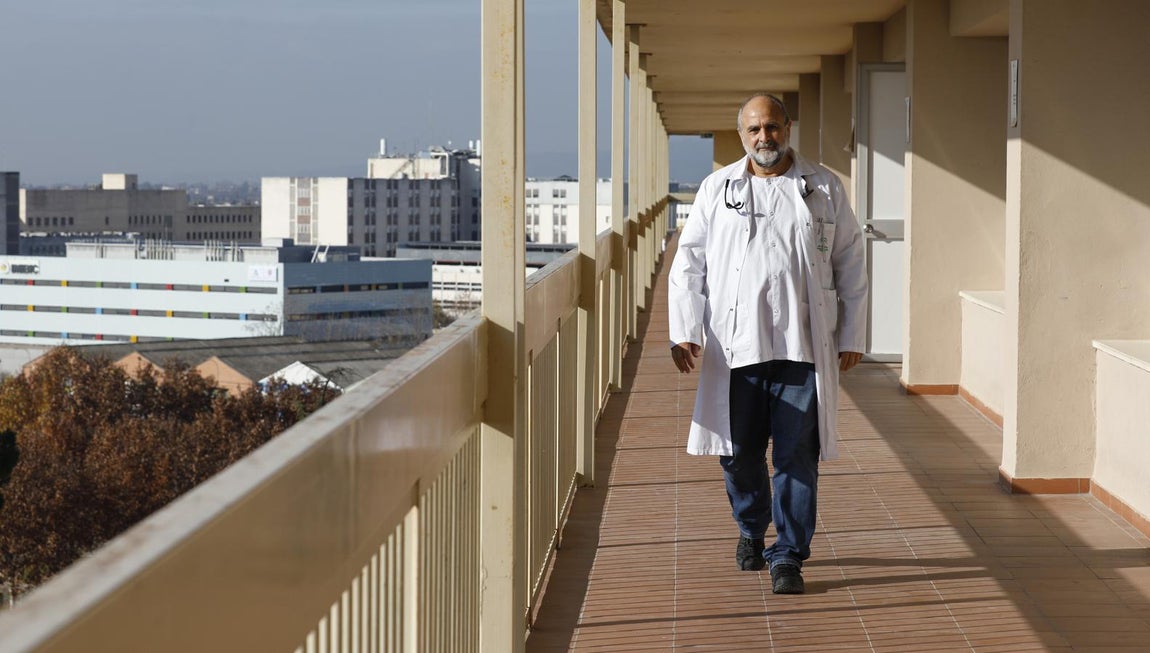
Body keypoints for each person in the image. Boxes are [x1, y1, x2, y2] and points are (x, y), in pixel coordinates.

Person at [667, 93, 867, 594]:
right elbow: (689, 261)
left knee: (797, 455)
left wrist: (852, 333)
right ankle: (752, 527)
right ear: (742, 135)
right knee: (739, 455)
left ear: (788, 128)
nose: (764, 137)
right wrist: (685, 328)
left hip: (802, 347)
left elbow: (850, 262)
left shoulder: (823, 186)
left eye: (772, 127)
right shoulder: (717, 189)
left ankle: (789, 555)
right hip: (738, 348)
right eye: (754, 129)